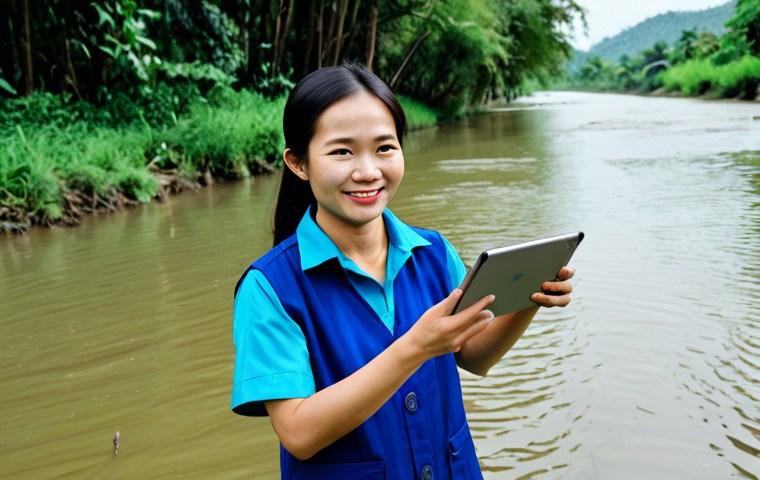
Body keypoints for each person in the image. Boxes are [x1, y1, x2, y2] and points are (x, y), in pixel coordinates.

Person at [231, 63, 575, 480]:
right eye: (342, 151)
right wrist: (415, 346)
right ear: (298, 163)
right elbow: (299, 432)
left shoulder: (433, 252)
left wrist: (529, 298)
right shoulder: (270, 289)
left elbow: (475, 356)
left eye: (384, 148)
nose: (368, 171)